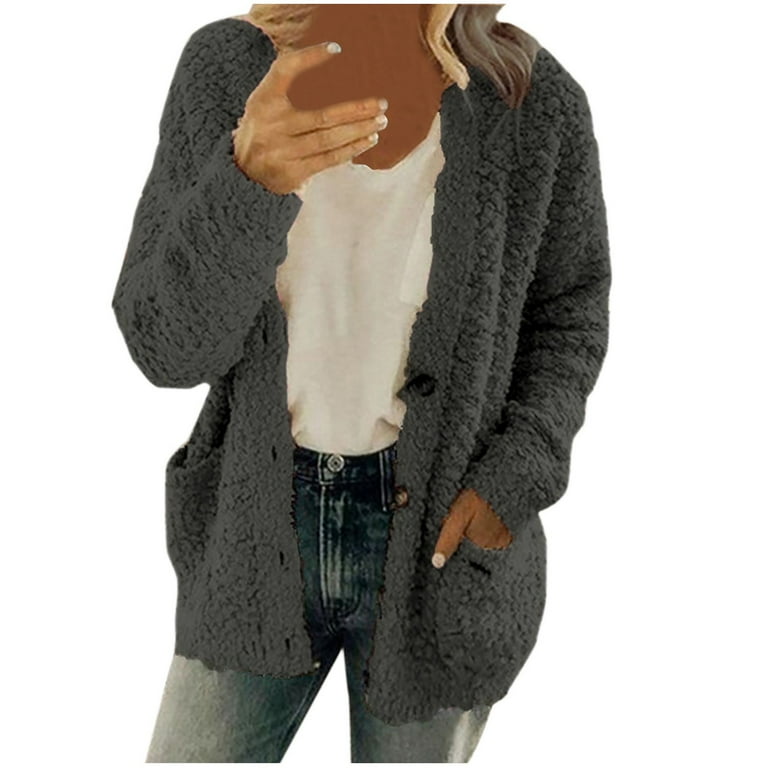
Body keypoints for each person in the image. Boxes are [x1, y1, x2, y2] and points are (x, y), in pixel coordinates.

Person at [112, 3, 611, 763]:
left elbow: (570, 315)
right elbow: (165, 347)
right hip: (255, 537)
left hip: (438, 559)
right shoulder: (228, 69)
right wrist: (249, 178)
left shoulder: (532, 103)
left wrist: (513, 479)